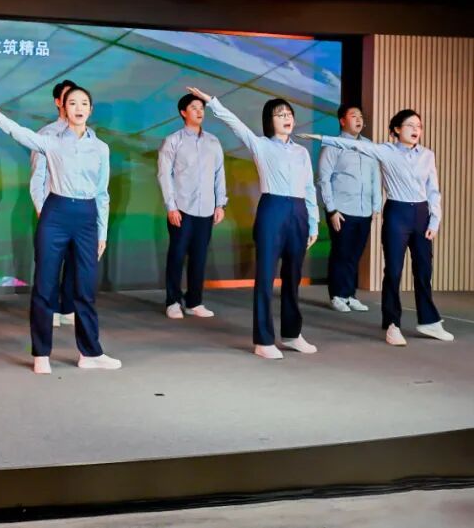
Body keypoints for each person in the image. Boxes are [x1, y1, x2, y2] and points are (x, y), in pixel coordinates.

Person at [0, 81, 120, 374]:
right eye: (72, 103)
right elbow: (15, 131)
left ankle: (90, 353)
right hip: (56, 214)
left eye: (84, 103)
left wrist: (102, 232)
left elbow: (102, 193)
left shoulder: (101, 148)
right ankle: (42, 353)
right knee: (45, 285)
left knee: (85, 288)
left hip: (87, 218)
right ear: (63, 108)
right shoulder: (51, 141)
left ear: (91, 109)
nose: (79, 108)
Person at [186, 87, 319, 360]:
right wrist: (212, 102)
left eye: (289, 114)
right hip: (273, 209)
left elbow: (309, 188)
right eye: (279, 114)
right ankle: (263, 340)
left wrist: (313, 223)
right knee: (266, 277)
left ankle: (292, 334)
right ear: (269, 120)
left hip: (299, 213)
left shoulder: (301, 153)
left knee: (293, 278)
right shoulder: (261, 145)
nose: (286, 118)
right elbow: (234, 124)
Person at [300, 109, 453, 345]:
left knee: (424, 270)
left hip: (422, 214)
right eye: (410, 125)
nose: (416, 130)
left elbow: (434, 190)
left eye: (419, 126)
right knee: (393, 271)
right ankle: (392, 324)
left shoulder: (427, 155)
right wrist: (322, 138)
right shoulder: (385, 151)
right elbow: (352, 145)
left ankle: (429, 321)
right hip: (397, 213)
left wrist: (435, 220)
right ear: (396, 129)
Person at [157, 94, 227, 319]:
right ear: (183, 112)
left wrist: (220, 204)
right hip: (182, 208)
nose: (199, 111)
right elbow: (164, 175)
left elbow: (219, 174)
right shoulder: (173, 141)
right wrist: (171, 206)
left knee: (199, 256)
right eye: (194, 107)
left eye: (201, 108)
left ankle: (194, 301)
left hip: (206, 209)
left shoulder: (213, 142)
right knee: (177, 255)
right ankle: (173, 302)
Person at [316, 105, 381, 314]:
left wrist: (376, 206)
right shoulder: (333, 145)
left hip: (364, 210)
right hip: (341, 210)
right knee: (341, 253)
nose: (359, 119)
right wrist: (331, 209)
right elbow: (324, 179)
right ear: (342, 121)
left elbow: (375, 177)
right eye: (354, 116)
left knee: (355, 255)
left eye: (360, 116)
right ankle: (337, 295)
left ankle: (350, 295)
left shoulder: (369, 146)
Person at [31, 80, 79, 328]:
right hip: (53, 210)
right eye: (69, 99)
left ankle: (68, 307)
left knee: (75, 261)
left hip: (79, 210)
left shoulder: (87, 135)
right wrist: (42, 209)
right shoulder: (46, 134)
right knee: (49, 264)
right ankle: (49, 309)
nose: (75, 105)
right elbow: (37, 177)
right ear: (58, 102)